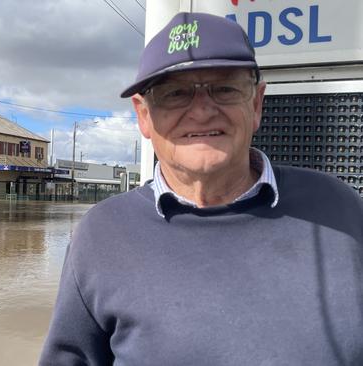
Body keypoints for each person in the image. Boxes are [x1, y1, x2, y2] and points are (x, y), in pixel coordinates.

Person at [40, 11, 363, 365]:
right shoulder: (99, 234)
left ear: (256, 104)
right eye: (175, 93)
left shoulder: (341, 208)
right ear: (144, 116)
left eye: (224, 88)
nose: (202, 111)